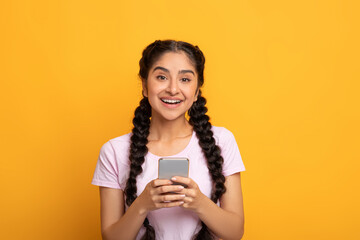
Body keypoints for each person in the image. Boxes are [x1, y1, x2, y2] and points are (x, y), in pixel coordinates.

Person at [91, 40, 246, 240]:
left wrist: (199, 202)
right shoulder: (113, 151)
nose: (173, 89)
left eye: (185, 79)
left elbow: (235, 232)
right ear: (145, 86)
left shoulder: (222, 140)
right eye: (162, 77)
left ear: (197, 91)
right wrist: (142, 204)